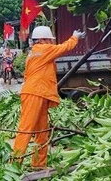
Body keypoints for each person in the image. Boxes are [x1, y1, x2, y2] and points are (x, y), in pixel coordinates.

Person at [13, 26, 85, 169]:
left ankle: (39, 164)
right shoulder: (43, 49)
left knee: (42, 131)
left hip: (37, 93)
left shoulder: (33, 53)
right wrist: (74, 37)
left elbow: (27, 75)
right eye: (50, 39)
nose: (51, 42)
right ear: (43, 39)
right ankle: (14, 165)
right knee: (26, 129)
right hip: (35, 93)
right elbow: (63, 48)